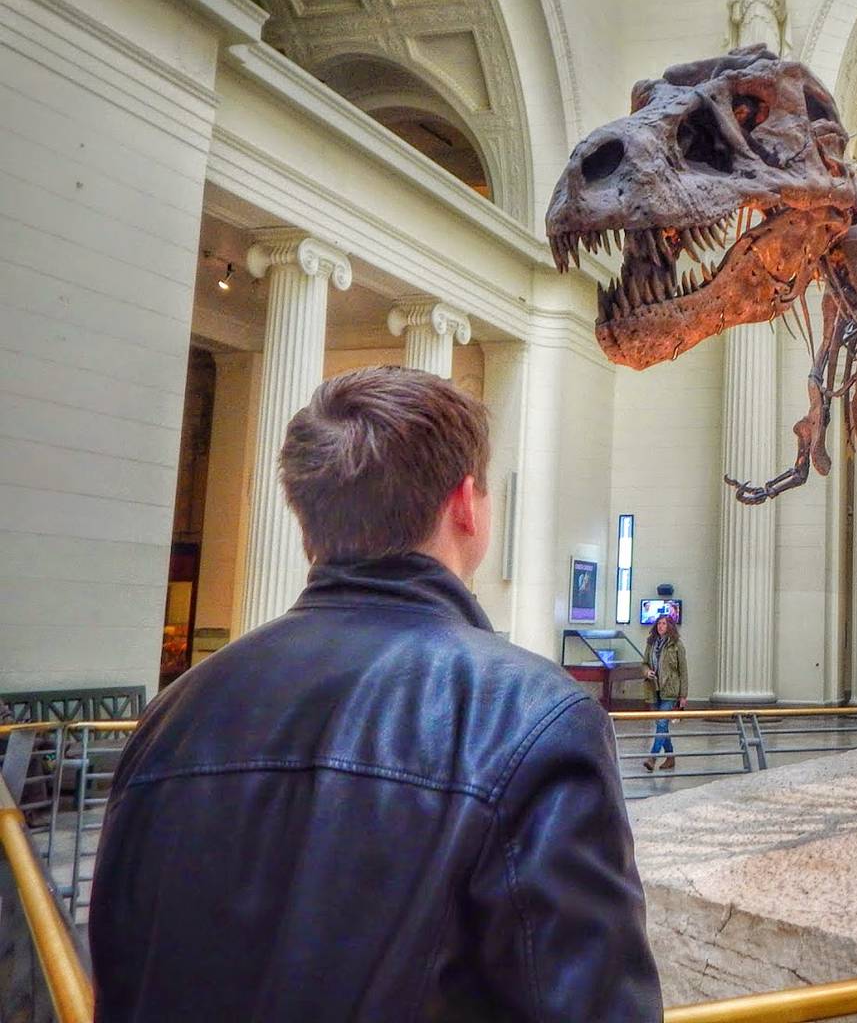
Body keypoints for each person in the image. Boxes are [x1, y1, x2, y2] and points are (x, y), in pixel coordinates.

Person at [89, 368, 661, 1021]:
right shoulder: (535, 718)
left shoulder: (173, 714)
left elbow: (122, 967)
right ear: (465, 504)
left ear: (307, 514)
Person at [643, 614, 687, 772]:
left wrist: (683, 695)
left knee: (662, 723)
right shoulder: (651, 643)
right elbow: (644, 663)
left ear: (670, 626)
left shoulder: (677, 645)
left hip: (670, 690)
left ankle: (652, 757)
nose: (660, 626)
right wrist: (647, 671)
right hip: (654, 689)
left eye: (664, 623)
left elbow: (683, 671)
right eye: (659, 624)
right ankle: (670, 756)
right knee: (662, 726)